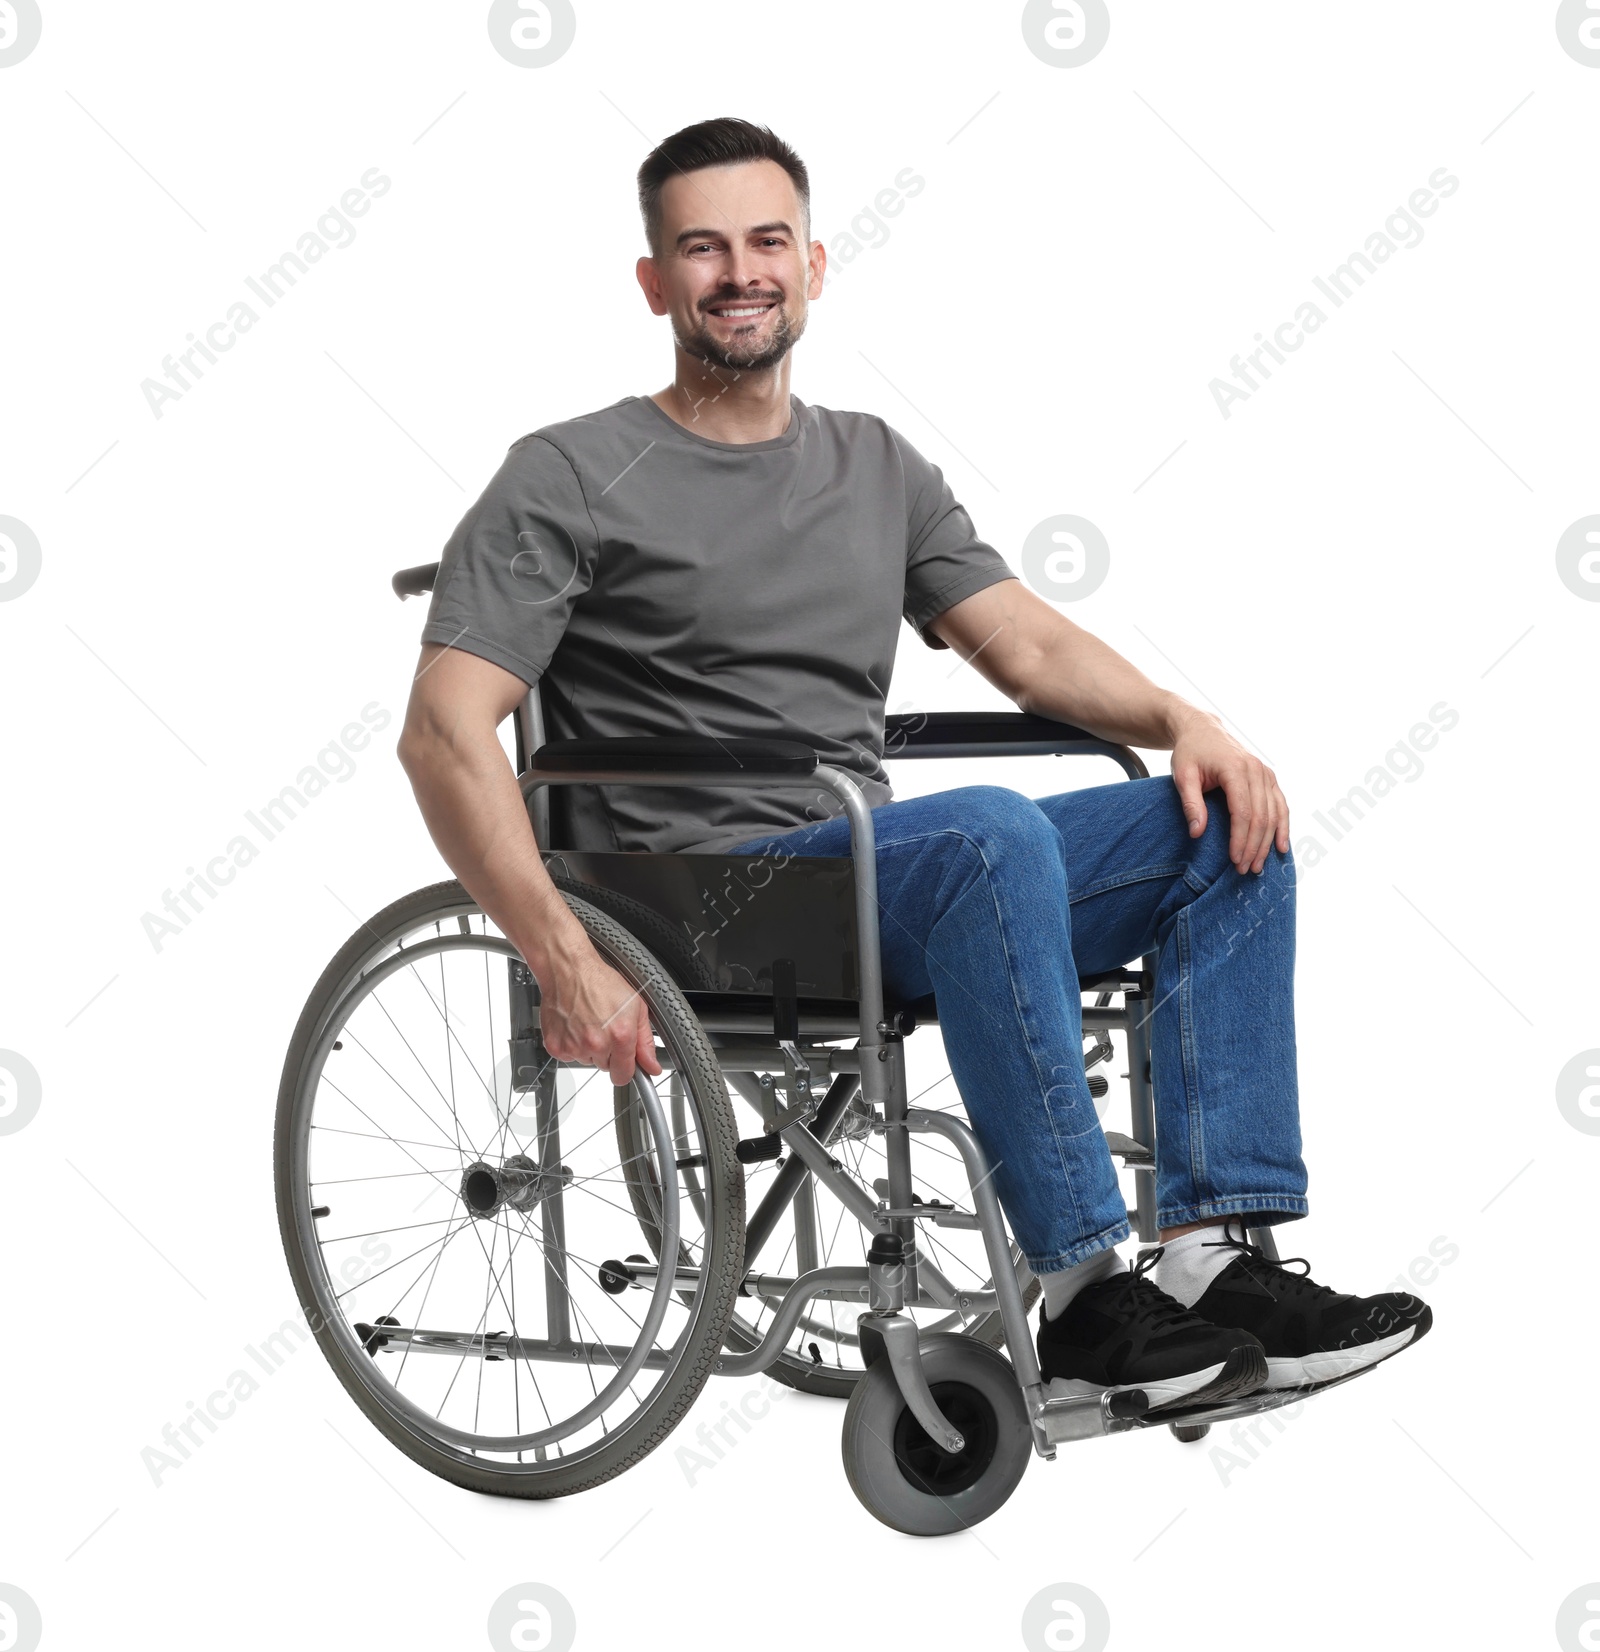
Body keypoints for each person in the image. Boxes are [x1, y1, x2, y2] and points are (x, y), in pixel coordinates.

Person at [398, 116, 1431, 1414]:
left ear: (815, 266)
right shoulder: (567, 473)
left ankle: (1215, 1259)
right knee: (988, 832)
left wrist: (1186, 723)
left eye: (767, 241)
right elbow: (444, 731)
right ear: (656, 282)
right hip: (685, 899)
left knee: (1226, 824)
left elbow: (1027, 644)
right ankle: (1081, 1300)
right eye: (702, 248)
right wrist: (560, 954)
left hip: (860, 873)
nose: (740, 272)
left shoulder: (875, 467)